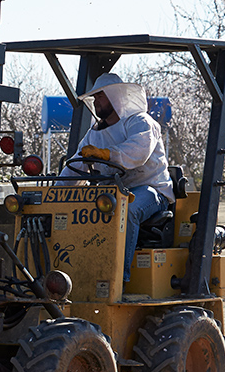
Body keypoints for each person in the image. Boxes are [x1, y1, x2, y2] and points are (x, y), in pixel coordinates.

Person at [61, 72, 174, 284]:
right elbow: (75, 166)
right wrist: (55, 192)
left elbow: (137, 153)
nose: (96, 101)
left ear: (116, 97)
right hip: (112, 194)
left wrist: (106, 154)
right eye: (94, 98)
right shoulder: (94, 133)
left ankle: (117, 281)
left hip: (150, 191)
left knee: (126, 210)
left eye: (100, 96)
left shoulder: (141, 123)